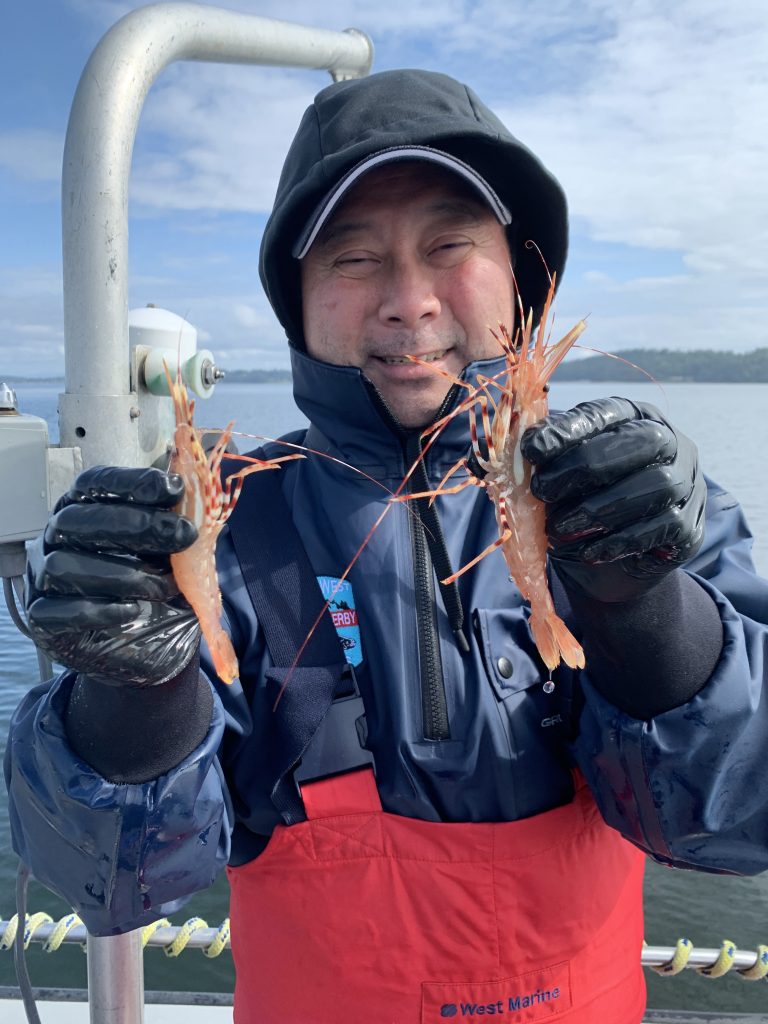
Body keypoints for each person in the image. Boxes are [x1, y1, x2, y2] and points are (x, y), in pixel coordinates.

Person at [5, 69, 768, 1024]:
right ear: (302, 303)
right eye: (353, 261)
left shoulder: (640, 498)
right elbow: (110, 886)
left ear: (522, 277)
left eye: (450, 245)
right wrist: (132, 692)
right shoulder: (231, 527)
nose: (408, 301)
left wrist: (650, 610)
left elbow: (739, 823)